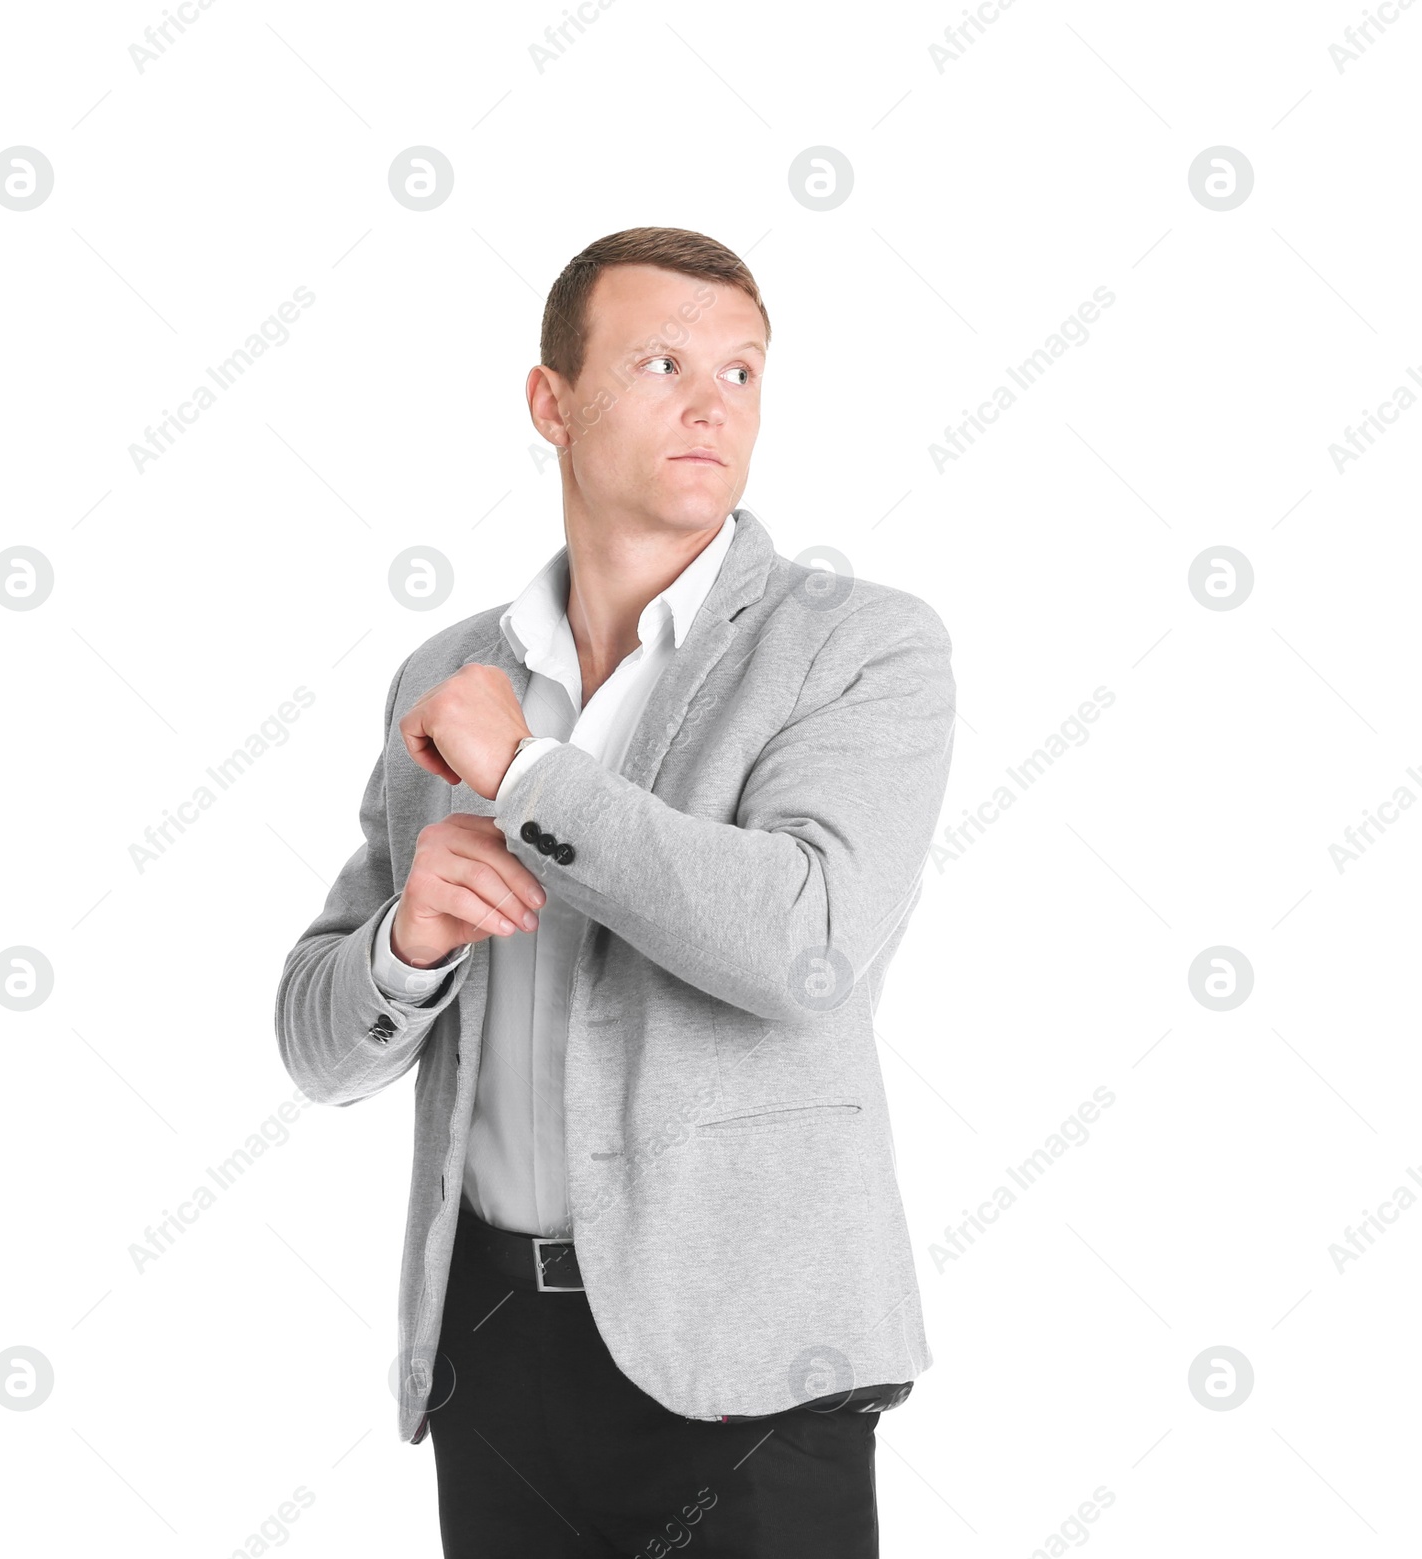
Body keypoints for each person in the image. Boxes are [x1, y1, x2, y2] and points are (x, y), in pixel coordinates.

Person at [275, 226, 957, 1557]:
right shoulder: (450, 674)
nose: (713, 403)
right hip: (490, 1357)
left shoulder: (860, 646)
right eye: (661, 362)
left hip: (751, 1367)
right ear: (553, 403)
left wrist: (528, 772)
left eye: (744, 372)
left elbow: (805, 948)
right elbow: (315, 1045)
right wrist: (407, 941)